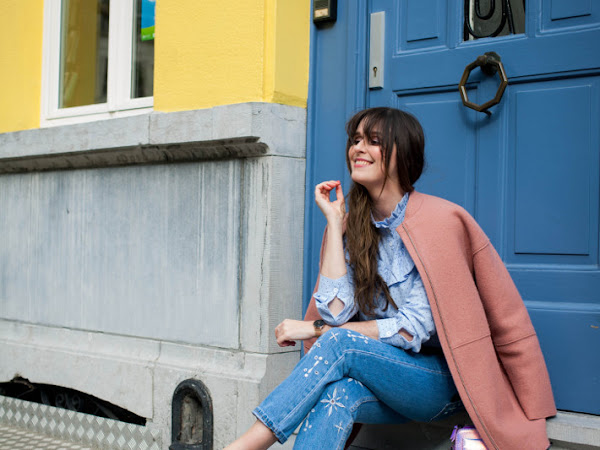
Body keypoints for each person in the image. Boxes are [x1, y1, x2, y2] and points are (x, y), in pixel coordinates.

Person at [225, 107, 556, 450]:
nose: (358, 148)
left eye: (373, 141)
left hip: (441, 382)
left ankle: (248, 444)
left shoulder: (440, 222)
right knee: (338, 394)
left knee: (338, 342)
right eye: (355, 140)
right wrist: (336, 226)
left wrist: (315, 329)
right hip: (383, 376)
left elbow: (411, 328)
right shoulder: (352, 226)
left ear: (402, 153)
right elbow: (337, 313)